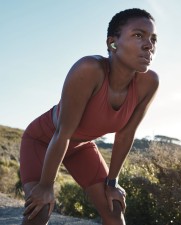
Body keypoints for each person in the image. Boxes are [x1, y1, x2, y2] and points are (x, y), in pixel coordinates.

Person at [19, 8, 159, 225]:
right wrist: (46, 186)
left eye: (153, 39)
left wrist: (112, 183)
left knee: (114, 214)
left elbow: (125, 134)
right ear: (113, 43)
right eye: (138, 35)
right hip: (44, 141)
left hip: (81, 147)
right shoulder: (89, 69)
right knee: (40, 210)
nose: (149, 45)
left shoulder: (149, 83)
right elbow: (63, 132)